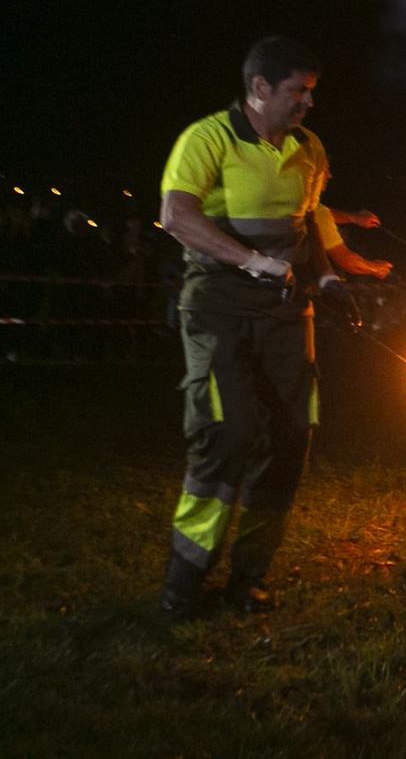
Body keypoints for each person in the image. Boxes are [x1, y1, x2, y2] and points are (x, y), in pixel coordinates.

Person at [154, 36, 343, 621]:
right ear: (260, 89)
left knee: (290, 438)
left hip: (287, 312)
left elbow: (311, 219)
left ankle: (249, 580)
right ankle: (184, 584)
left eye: (311, 93)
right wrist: (253, 262)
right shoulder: (206, 138)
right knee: (227, 432)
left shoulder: (309, 148)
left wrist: (331, 278)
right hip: (219, 306)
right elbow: (176, 215)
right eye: (298, 92)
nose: (308, 104)